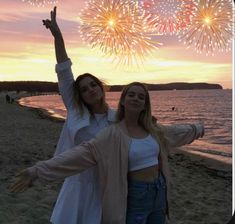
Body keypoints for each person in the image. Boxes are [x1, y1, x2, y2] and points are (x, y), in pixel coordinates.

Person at [10, 82, 204, 224]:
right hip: (136, 195)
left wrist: (198, 128)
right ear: (123, 101)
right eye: (131, 95)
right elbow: (79, 155)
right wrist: (37, 171)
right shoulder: (112, 134)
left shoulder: (152, 130)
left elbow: (175, 134)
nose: (136, 98)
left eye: (141, 96)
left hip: (160, 192)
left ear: (145, 104)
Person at [42, 7, 116, 224]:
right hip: (77, 182)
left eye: (93, 85)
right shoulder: (76, 112)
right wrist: (57, 35)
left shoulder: (117, 118)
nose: (91, 90)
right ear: (80, 96)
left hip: (104, 185)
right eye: (84, 89)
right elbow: (64, 71)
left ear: (101, 87)